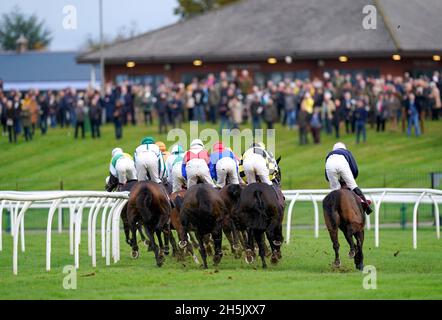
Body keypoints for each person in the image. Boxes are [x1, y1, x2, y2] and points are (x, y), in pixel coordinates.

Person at [325, 142, 372, 214]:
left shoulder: (329, 154)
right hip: (342, 163)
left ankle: (332, 212)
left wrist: (335, 182)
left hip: (329, 165)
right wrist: (351, 180)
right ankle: (367, 207)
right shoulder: (347, 152)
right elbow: (355, 170)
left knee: (335, 190)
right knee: (353, 186)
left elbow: (326, 176)